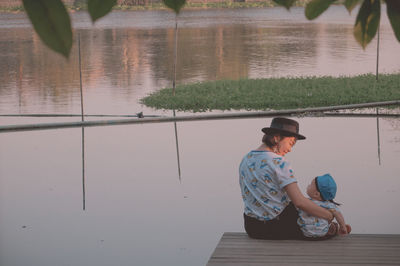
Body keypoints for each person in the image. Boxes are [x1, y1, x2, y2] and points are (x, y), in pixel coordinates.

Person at [239, 117, 349, 240]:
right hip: (276, 226)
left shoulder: (246, 159)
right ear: (276, 138)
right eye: (291, 143)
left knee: (310, 207)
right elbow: (299, 202)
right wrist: (328, 215)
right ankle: (331, 227)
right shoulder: (278, 162)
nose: (290, 149)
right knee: (319, 220)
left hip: (252, 227)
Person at [297, 174, 351, 239]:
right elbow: (338, 215)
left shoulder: (306, 202)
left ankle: (333, 228)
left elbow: (297, 204)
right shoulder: (328, 205)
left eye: (310, 185)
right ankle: (335, 229)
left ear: (316, 194)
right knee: (329, 224)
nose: (308, 185)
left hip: (305, 232)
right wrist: (343, 227)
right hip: (323, 232)